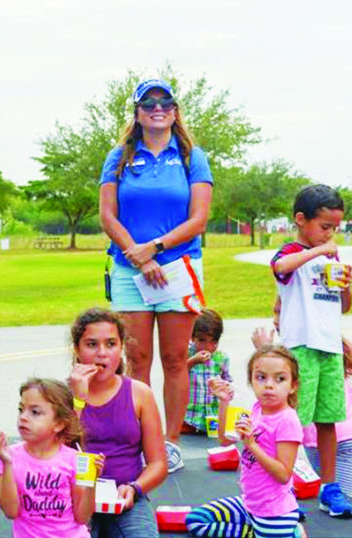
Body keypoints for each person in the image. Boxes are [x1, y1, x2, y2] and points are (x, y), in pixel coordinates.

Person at [99, 78, 213, 472]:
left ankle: (171, 442)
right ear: (137, 112)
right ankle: (140, 442)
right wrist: (139, 255)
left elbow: (198, 219)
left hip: (178, 268)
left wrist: (157, 248)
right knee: (136, 357)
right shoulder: (119, 157)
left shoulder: (191, 156)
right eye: (148, 102)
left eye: (165, 101)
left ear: (175, 110)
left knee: (175, 358)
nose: (157, 107)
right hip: (131, 269)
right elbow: (108, 215)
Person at [270, 184, 352, 518]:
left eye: (335, 228)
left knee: (327, 420)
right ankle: (283, 489)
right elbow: (280, 267)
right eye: (325, 227)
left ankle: (329, 487)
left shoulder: (329, 255)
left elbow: (343, 306)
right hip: (300, 348)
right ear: (300, 219)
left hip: (329, 347)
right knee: (293, 421)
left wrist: (345, 288)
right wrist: (318, 252)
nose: (330, 234)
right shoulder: (292, 253)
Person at [186, 345, 306, 538]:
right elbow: (224, 440)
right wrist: (224, 402)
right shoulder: (257, 409)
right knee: (196, 520)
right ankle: (253, 533)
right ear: (251, 380)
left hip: (274, 512)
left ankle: (290, 531)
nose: (269, 385)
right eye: (261, 377)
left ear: (293, 386)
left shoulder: (287, 421)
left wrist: (252, 445)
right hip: (249, 503)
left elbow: (283, 475)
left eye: (280, 379)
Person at [69, 307, 167, 537]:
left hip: (124, 495)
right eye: (92, 344)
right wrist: (78, 401)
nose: (102, 353)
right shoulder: (63, 396)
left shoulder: (139, 393)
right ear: (77, 349)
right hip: (76, 496)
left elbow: (158, 464)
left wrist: (135, 488)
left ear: (121, 347)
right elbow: (56, 454)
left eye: (111, 344)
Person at [253, 323, 352, 499]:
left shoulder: (291, 354)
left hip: (339, 438)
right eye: (276, 312)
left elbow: (275, 389)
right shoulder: (328, 341)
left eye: (280, 311)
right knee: (333, 501)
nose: (277, 319)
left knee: (338, 503)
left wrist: (264, 350)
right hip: (324, 439)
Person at [0, 378, 104, 538]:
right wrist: (7, 464)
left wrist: (92, 483)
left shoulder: (73, 459)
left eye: (35, 412)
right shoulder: (7, 456)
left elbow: (82, 517)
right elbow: (10, 511)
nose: (23, 417)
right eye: (21, 409)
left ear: (59, 424)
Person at [183, 308, 232, 434]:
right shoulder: (185, 354)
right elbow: (175, 376)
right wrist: (193, 361)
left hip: (212, 417)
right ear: (192, 337)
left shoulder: (221, 358)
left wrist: (227, 388)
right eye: (202, 340)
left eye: (214, 341)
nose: (208, 347)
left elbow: (228, 382)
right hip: (189, 418)